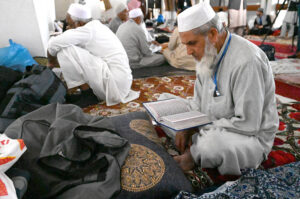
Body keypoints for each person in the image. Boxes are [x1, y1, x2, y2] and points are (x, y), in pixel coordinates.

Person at [159, 2, 279, 175]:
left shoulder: (247, 61)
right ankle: (195, 140)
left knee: (211, 144)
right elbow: (198, 103)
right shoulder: (207, 52)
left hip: (248, 136)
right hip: (209, 122)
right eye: (185, 44)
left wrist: (195, 129)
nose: (188, 52)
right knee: (164, 102)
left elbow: (248, 123)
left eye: (191, 43)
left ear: (213, 34)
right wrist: (187, 125)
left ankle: (196, 153)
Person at [47, 3, 139, 107]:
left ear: (79, 23)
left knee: (66, 50)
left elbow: (53, 44)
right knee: (73, 49)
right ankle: (85, 91)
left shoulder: (87, 30)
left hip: (114, 87)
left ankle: (88, 95)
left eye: (71, 24)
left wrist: (51, 61)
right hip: (123, 84)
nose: (69, 27)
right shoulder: (97, 26)